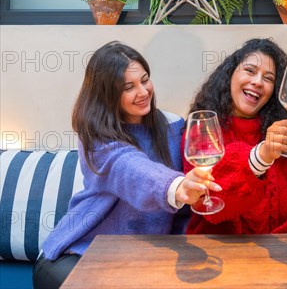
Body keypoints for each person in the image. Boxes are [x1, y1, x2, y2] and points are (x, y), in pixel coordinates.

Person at [33, 41, 219, 289]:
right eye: (128, 87)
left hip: (137, 260)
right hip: (77, 254)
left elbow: (184, 212)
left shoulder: (172, 127)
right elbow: (130, 167)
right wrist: (177, 186)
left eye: (145, 80)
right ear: (107, 93)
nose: (143, 92)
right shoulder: (96, 138)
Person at [183, 38, 287, 234]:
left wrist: (275, 253)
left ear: (275, 91)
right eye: (250, 70)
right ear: (230, 74)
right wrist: (261, 155)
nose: (257, 82)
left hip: (285, 254)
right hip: (217, 254)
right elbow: (208, 208)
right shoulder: (203, 130)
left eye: (268, 78)